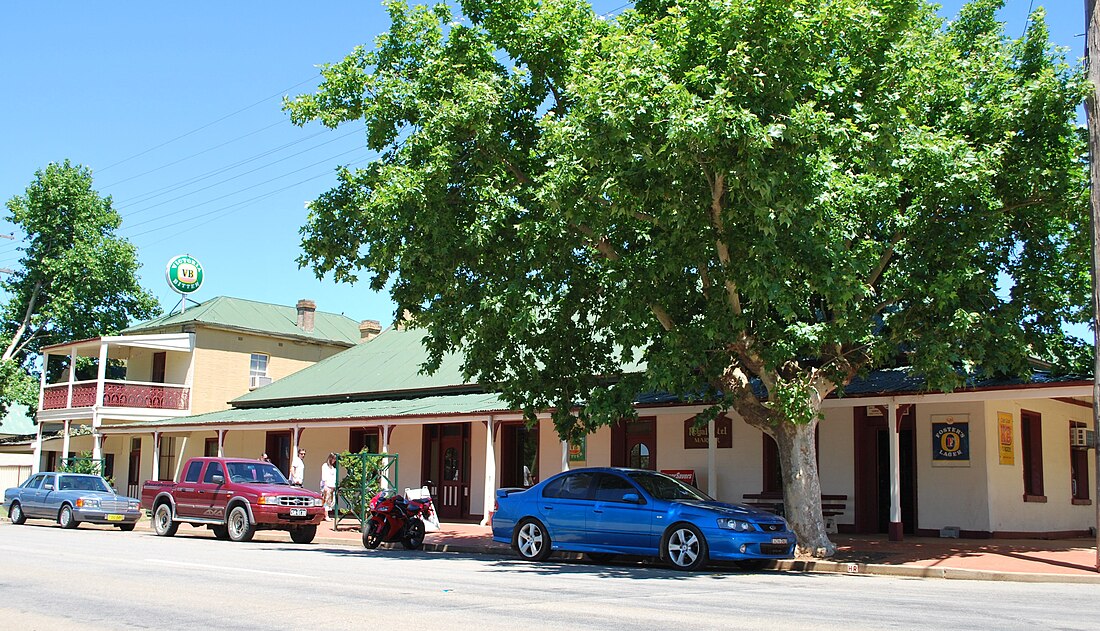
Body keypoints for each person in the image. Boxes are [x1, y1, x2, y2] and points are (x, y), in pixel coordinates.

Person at [320, 452, 338, 520]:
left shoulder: (333, 468)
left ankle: (327, 515)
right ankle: (326, 516)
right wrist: (325, 486)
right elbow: (324, 476)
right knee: (326, 501)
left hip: (332, 486)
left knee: (331, 501)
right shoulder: (325, 466)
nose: (334, 461)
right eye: (333, 459)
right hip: (327, 486)